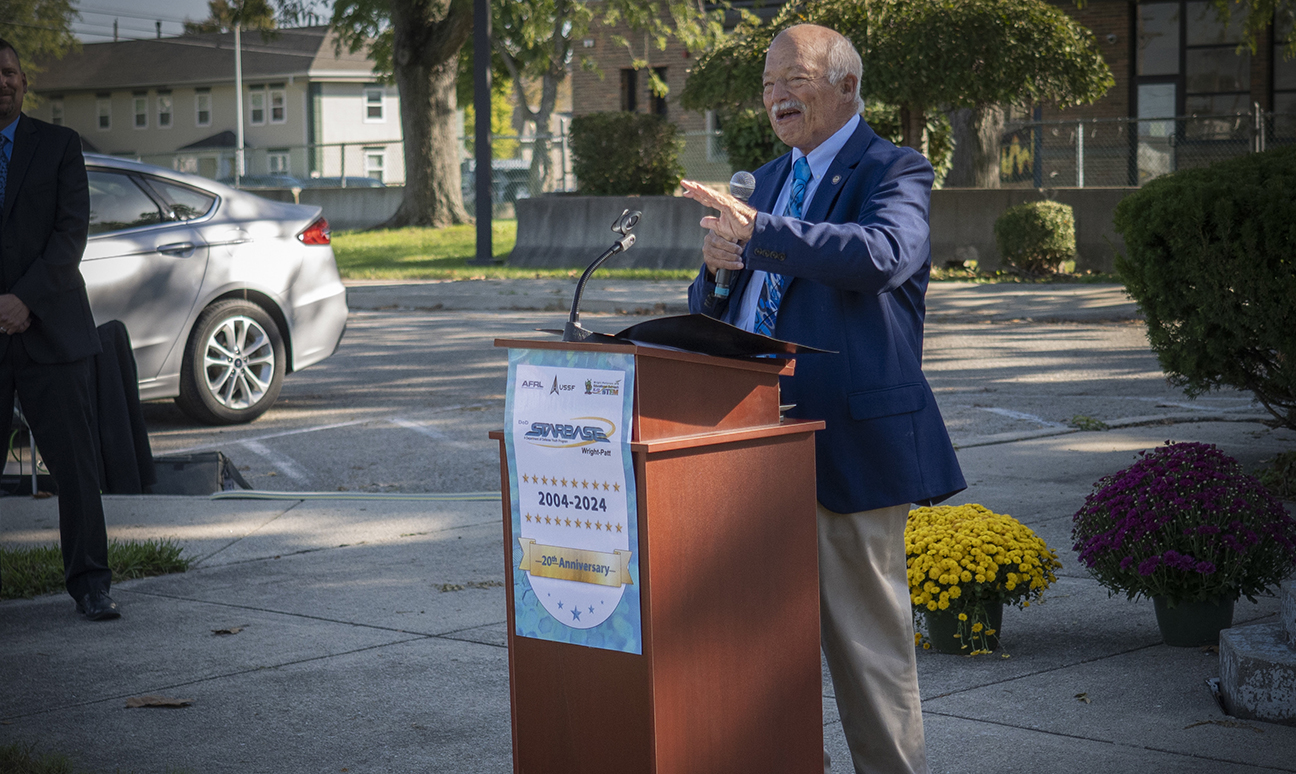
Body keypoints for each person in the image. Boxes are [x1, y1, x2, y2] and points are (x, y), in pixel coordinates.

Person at [682, 25, 965, 774]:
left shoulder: (894, 168)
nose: (777, 95)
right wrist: (714, 270)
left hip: (844, 443)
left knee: (868, 654)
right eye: (769, 83)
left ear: (846, 86)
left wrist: (762, 232)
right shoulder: (769, 179)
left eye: (794, 78)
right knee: (747, 653)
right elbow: (722, 301)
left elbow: (880, 256)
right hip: (741, 444)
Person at [0, 39, 119, 620]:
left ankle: (92, 584)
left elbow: (71, 235)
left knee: (74, 468)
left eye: (10, 73)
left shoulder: (60, 146)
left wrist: (23, 299)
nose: (3, 82)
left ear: (24, 82)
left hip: (51, 329)